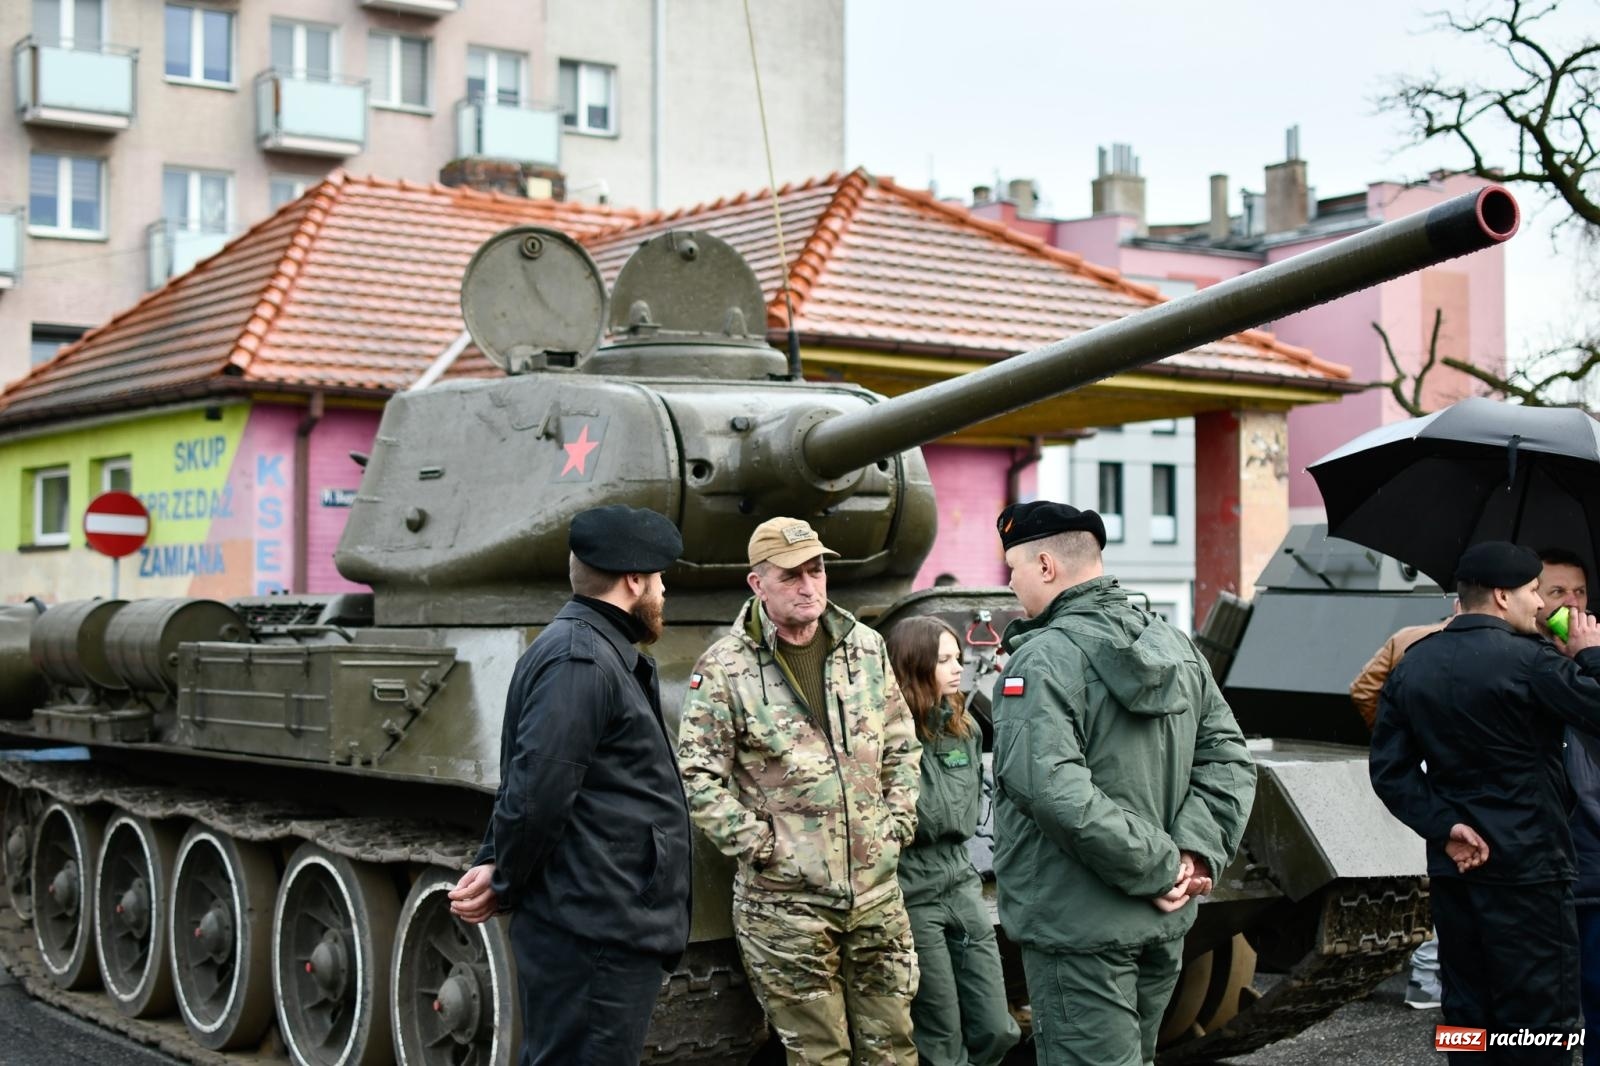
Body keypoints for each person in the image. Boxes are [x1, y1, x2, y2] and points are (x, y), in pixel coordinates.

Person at [990, 500, 1256, 1066]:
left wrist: (1160, 866)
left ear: (1044, 565)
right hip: (1164, 919)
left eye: (1011, 568)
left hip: (1077, 927)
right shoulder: (1175, 645)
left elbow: (1050, 789)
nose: (1010, 584)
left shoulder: (1039, 660)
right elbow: (1229, 757)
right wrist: (1192, 855)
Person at [448, 504, 691, 1066]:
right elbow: (539, 790)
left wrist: (499, 862)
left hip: (599, 916)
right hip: (593, 930)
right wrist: (504, 876)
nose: (661, 592)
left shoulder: (589, 649)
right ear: (634, 581)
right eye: (657, 580)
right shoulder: (582, 659)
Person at [677, 516, 922, 1065]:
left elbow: (902, 744)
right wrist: (766, 848)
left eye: (816, 570)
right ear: (757, 584)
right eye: (791, 576)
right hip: (786, 908)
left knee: (894, 1049)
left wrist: (896, 822)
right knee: (819, 1056)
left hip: (877, 894)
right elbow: (697, 776)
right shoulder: (724, 669)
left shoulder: (865, 647)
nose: (809, 585)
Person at [1370, 541, 1600, 1063]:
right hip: (1532, 869)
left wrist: (1445, 825)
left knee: (1466, 1010)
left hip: (1457, 869)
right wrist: (1589, 654)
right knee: (1542, 1020)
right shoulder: (1531, 663)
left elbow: (1390, 771)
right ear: (1502, 596)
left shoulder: (1414, 665)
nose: (1541, 605)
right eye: (1533, 592)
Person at [886, 616, 1021, 1066]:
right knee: (940, 1034)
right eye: (944, 660)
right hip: (913, 891)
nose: (957, 668)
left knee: (996, 1027)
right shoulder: (887, 736)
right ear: (914, 665)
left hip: (961, 881)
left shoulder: (966, 729)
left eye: (958, 658)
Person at [1349, 609, 1453, 1009]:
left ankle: (1424, 975)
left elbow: (1363, 689)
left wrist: (1394, 736)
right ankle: (1429, 975)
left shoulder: (1408, 637)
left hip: (1413, 767)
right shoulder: (1499, 645)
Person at [1539, 547, 1600, 1065]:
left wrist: (1587, 658)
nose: (1573, 604)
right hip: (1542, 868)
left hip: (1596, 868)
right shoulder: (1520, 663)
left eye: (1579, 592)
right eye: (1558, 593)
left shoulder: (1594, 662)